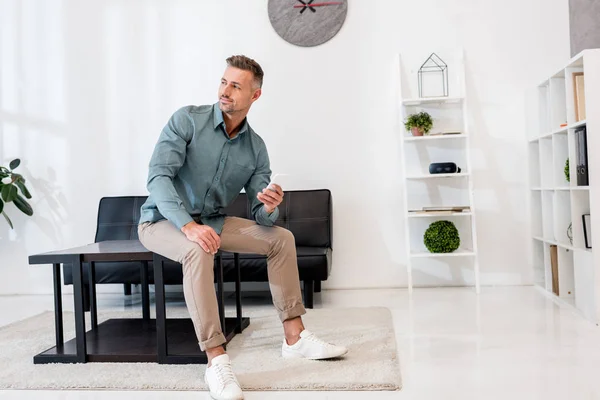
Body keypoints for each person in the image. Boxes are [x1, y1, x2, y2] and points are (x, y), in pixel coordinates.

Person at [137, 55, 347, 400]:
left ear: (255, 95)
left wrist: (267, 206)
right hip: (162, 220)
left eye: (236, 86)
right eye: (223, 82)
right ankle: (216, 360)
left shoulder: (256, 148)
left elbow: (259, 212)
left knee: (280, 237)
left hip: (213, 222)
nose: (225, 90)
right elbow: (158, 179)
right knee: (198, 248)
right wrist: (188, 226)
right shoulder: (187, 120)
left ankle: (294, 338)